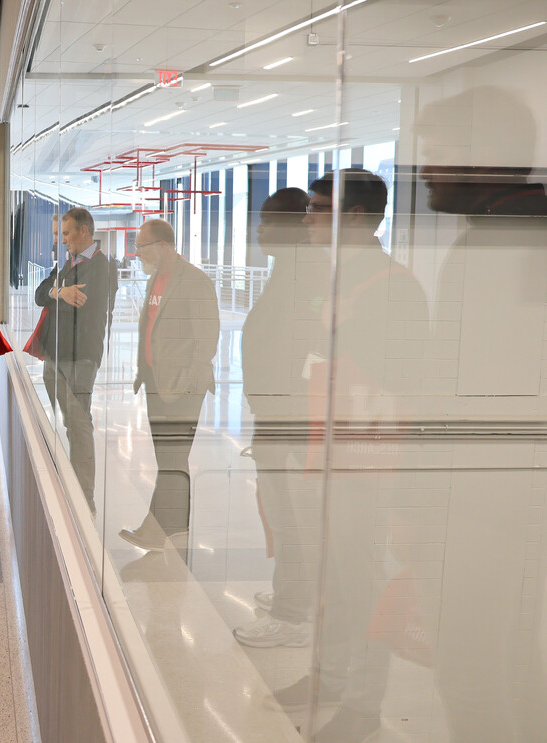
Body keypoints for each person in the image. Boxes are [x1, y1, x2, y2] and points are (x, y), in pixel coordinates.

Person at [267, 169, 428, 743]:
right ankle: (329, 676)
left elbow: (405, 375)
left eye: (317, 209)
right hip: (322, 448)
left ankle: (362, 703)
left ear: (356, 218)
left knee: (357, 578)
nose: (307, 219)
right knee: (328, 574)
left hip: (361, 457)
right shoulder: (340, 276)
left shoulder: (391, 285)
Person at [416, 86, 547, 743]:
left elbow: (468, 401)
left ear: (482, 158)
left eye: (436, 154)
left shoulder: (499, 245)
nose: (425, 170)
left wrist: (421, 515)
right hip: (511, 504)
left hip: (488, 508)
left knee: (471, 667)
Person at [232, 188, 321, 649]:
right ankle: (292, 594)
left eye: (266, 221)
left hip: (292, 417)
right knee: (283, 514)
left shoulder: (309, 271)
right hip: (276, 413)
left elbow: (304, 347)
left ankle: (294, 614)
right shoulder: (289, 268)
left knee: (294, 516)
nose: (259, 230)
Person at [117, 219, 220, 551]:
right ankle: (167, 532)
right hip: (156, 383)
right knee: (168, 460)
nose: (136, 252)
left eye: (141, 246)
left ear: (163, 245)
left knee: (174, 459)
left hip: (182, 388)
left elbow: (207, 338)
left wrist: (189, 384)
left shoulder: (194, 281)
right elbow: (149, 327)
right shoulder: (156, 279)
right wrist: (142, 372)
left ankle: (166, 533)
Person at [33, 207, 116, 507]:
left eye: (66, 234)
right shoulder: (68, 263)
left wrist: (60, 294)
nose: (61, 240)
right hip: (56, 356)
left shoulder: (101, 266)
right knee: (70, 423)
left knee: (79, 425)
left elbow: (81, 302)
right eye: (59, 235)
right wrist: (59, 292)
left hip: (81, 357)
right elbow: (40, 293)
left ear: (84, 231)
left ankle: (85, 500)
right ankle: (73, 486)